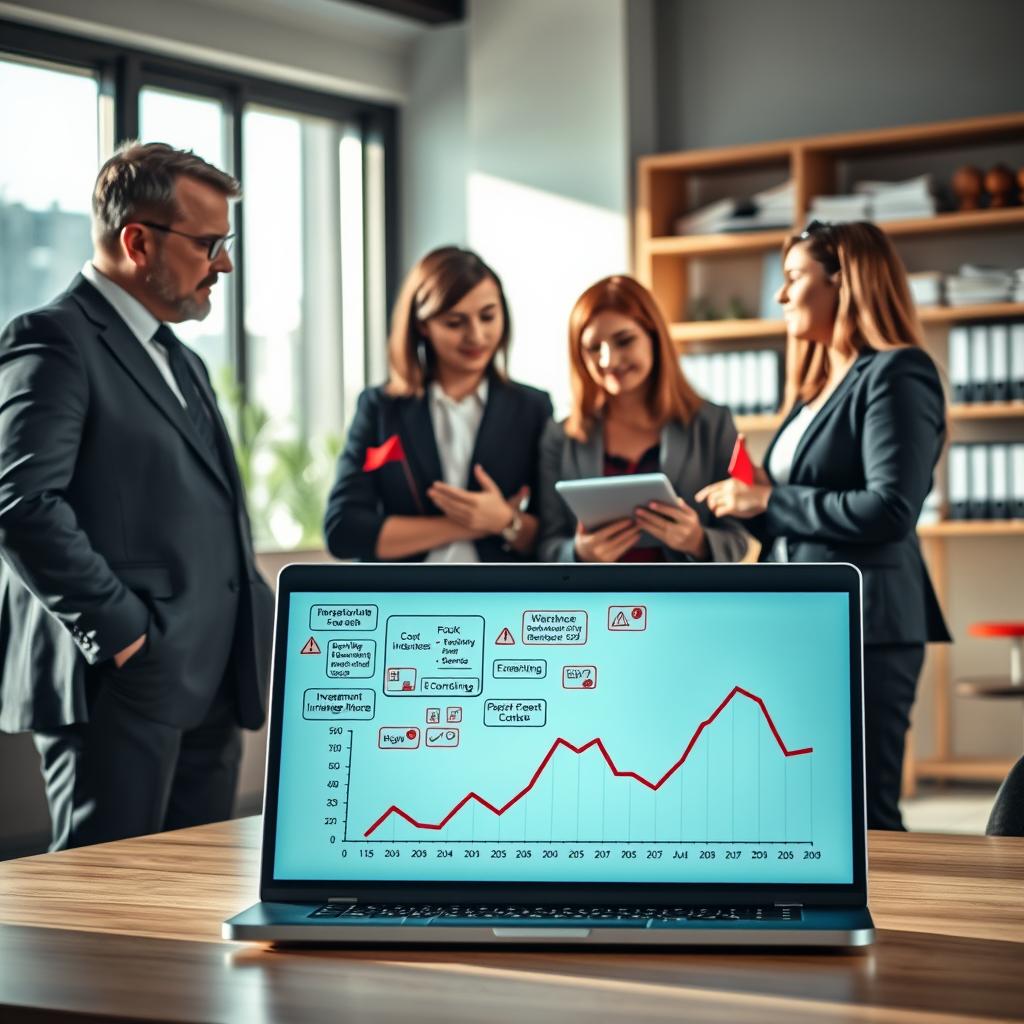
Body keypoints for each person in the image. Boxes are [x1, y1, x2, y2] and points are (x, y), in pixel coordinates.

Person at [0, 141, 274, 850]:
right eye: (210, 243)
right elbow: (22, 506)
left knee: (194, 905)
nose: (225, 264)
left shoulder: (182, 360)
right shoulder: (53, 340)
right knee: (102, 927)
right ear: (137, 240)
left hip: (210, 680)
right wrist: (125, 637)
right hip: (118, 686)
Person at [695, 220, 951, 831]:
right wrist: (738, 508)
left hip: (868, 624)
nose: (780, 297)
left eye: (792, 279)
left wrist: (769, 501)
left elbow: (890, 509)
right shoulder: (814, 388)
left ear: (843, 281)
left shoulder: (896, 373)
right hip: (803, 618)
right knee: (806, 805)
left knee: (865, 810)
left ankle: (893, 928)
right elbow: (794, 518)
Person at [324, 246, 553, 562]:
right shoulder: (380, 408)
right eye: (454, 322)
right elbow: (343, 531)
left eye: (488, 316)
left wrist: (506, 522)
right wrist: (477, 523)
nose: (477, 335)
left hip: (499, 601)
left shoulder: (533, 408)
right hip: (405, 603)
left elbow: (551, 537)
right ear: (422, 325)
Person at [537, 274, 748, 564]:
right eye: (594, 348)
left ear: (654, 338)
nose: (608, 360)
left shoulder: (712, 425)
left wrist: (698, 541)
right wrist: (578, 553)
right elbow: (545, 544)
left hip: (681, 600)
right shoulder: (560, 437)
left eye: (624, 341)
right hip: (598, 603)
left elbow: (741, 537)